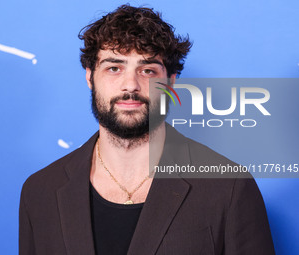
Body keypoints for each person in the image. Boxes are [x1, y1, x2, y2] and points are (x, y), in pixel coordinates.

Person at [19, 4, 275, 255]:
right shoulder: (41, 191)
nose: (130, 85)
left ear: (171, 82)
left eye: (148, 70)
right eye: (114, 68)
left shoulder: (229, 187)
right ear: (89, 77)